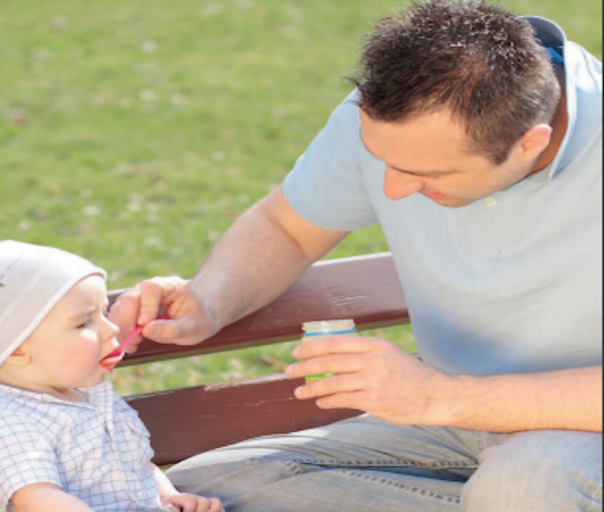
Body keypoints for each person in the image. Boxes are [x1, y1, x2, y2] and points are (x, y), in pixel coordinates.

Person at [108, 1, 603, 510]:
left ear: (529, 142)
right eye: (382, 160)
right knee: (206, 487)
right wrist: (208, 302)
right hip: (454, 422)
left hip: (576, 426)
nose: (391, 189)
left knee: (525, 484)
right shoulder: (395, 114)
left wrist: (436, 395)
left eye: (430, 174)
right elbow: (288, 228)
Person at [0, 240, 224, 512]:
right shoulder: (3, 424)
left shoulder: (90, 398)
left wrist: (167, 497)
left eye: (104, 312)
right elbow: (40, 500)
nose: (110, 329)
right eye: (85, 322)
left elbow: (133, 465)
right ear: (16, 350)